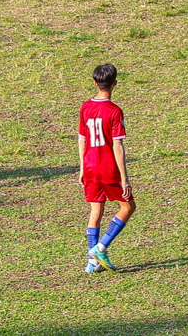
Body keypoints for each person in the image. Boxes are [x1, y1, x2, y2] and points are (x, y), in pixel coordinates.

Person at [78, 63, 134, 272]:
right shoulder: (114, 111)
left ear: (95, 83)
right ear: (115, 84)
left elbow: (82, 139)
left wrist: (82, 167)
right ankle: (100, 248)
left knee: (95, 210)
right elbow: (117, 146)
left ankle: (91, 263)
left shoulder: (85, 107)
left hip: (90, 167)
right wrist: (124, 178)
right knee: (128, 207)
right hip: (108, 168)